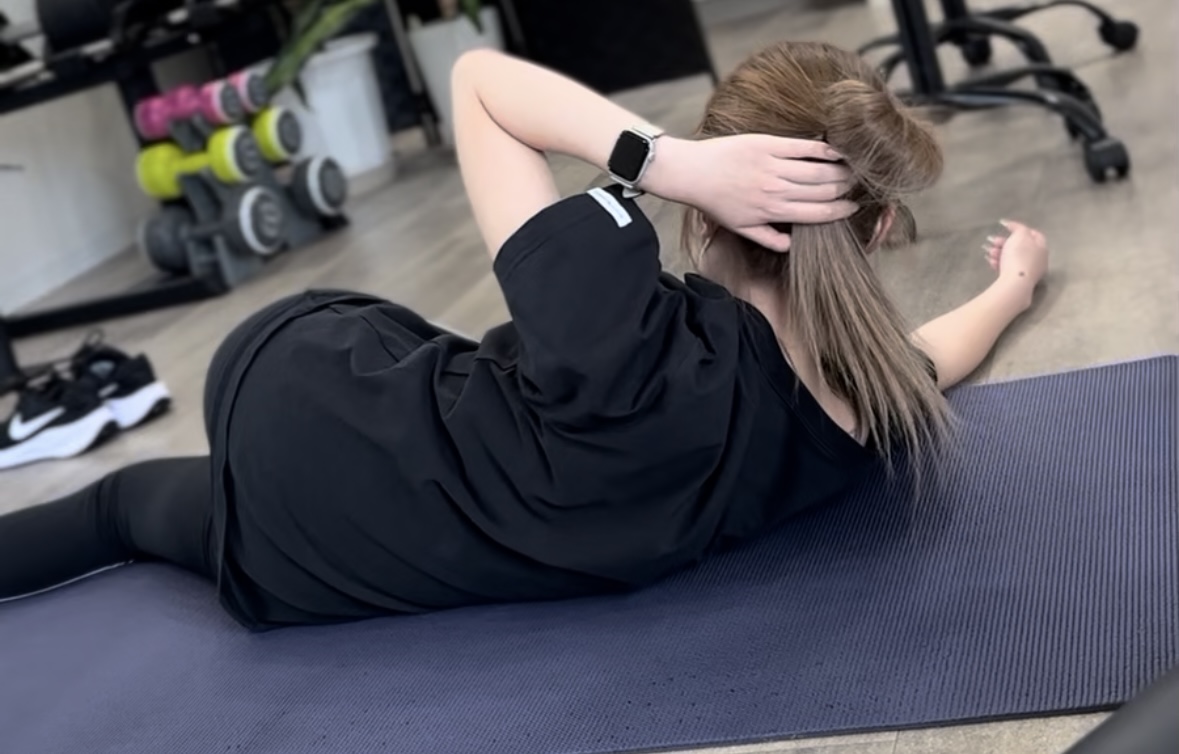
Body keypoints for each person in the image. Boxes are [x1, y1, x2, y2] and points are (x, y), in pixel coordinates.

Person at [0, 42, 1048, 630]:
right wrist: (1010, 288)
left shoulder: (617, 327)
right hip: (314, 569)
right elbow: (936, 355)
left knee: (116, 500)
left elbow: (478, 82)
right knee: (133, 510)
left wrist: (668, 162)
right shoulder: (860, 411)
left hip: (304, 418)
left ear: (706, 214)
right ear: (880, 228)